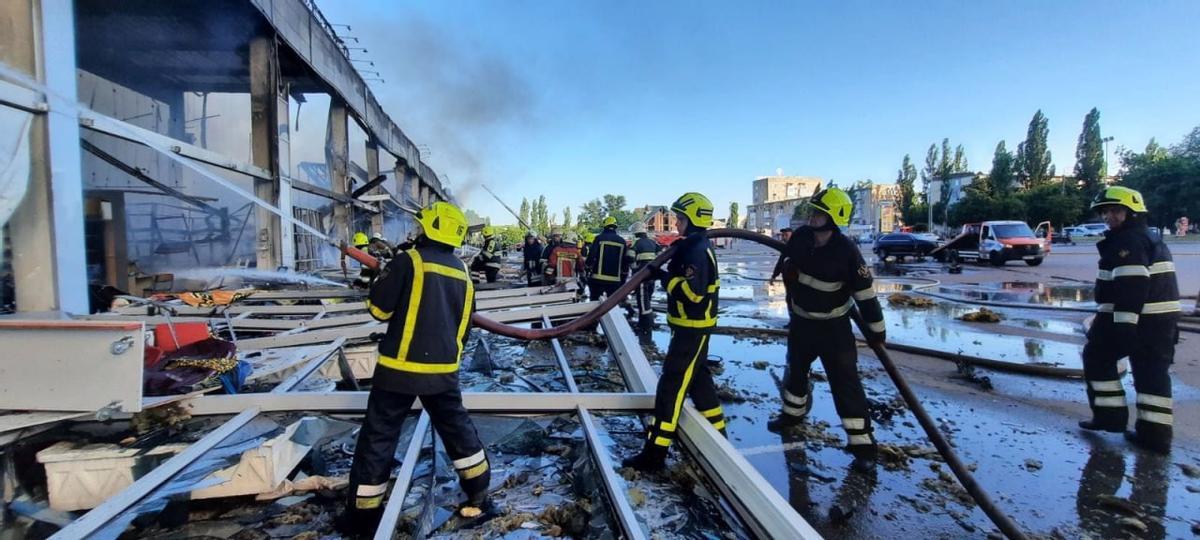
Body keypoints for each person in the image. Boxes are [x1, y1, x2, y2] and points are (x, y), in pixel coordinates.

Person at [339, 201, 491, 535]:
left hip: (398, 372)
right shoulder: (463, 273)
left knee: (379, 438)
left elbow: (379, 311)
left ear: (429, 229)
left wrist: (382, 276)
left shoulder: (409, 261)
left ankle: (363, 518)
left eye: (421, 225)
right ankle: (480, 495)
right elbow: (465, 327)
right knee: (459, 431)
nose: (417, 230)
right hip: (444, 372)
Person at [767, 187, 887, 470]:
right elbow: (786, 260)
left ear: (834, 217)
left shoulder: (847, 251)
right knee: (795, 373)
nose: (812, 216)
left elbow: (866, 296)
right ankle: (792, 416)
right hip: (802, 324)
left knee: (846, 385)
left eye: (819, 213)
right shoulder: (801, 238)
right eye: (812, 211)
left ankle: (863, 447)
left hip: (834, 329)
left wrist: (877, 332)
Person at [622, 193, 725, 472]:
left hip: (692, 328)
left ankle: (655, 453)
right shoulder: (692, 245)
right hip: (689, 327)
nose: (676, 223)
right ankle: (720, 438)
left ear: (692, 220)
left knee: (671, 387)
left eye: (680, 218)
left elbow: (693, 293)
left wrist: (665, 277)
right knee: (700, 380)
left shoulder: (695, 250)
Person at [1079, 186, 1180, 454]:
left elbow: (1132, 287)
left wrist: (1125, 326)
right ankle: (1155, 435)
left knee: (1097, 357)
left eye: (1116, 211)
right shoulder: (1142, 238)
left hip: (1137, 319)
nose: (1109, 217)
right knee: (1152, 375)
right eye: (1105, 212)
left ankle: (1110, 418)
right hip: (1159, 321)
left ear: (1132, 213)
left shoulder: (1129, 242)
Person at [585, 216, 630, 301]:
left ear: (604, 226)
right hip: (615, 280)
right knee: (613, 304)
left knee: (595, 302)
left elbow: (592, 255)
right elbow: (625, 261)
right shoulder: (622, 241)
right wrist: (624, 275)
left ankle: (595, 314)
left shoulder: (599, 238)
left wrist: (587, 267)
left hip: (598, 278)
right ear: (615, 227)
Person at [629, 222, 662, 330]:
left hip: (641, 276)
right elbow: (661, 253)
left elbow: (630, 258)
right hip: (652, 275)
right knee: (648, 298)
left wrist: (633, 269)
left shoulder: (636, 243)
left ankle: (645, 324)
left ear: (635, 233)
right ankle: (647, 321)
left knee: (643, 300)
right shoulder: (653, 242)